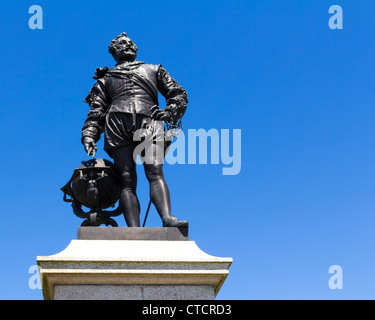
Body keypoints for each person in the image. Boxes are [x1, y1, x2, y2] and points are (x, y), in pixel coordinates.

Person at [81, 32, 188, 227]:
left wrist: (170, 110)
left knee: (155, 171)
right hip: (117, 124)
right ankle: (134, 231)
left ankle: (167, 218)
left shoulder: (154, 70)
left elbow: (177, 93)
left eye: (131, 43)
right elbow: (96, 110)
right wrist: (89, 134)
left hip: (150, 120)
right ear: (114, 52)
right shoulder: (105, 80)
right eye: (123, 44)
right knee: (127, 178)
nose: (128, 45)